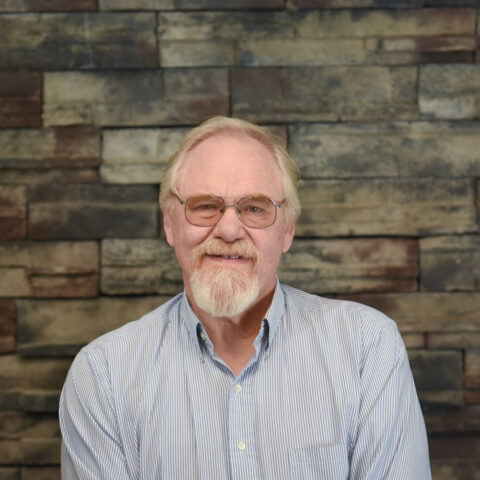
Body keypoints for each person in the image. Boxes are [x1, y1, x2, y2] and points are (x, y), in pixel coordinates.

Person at [59, 116, 431, 479]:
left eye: (255, 208)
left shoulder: (367, 348)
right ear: (169, 223)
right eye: (205, 205)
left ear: (287, 229)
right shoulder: (104, 376)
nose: (229, 229)